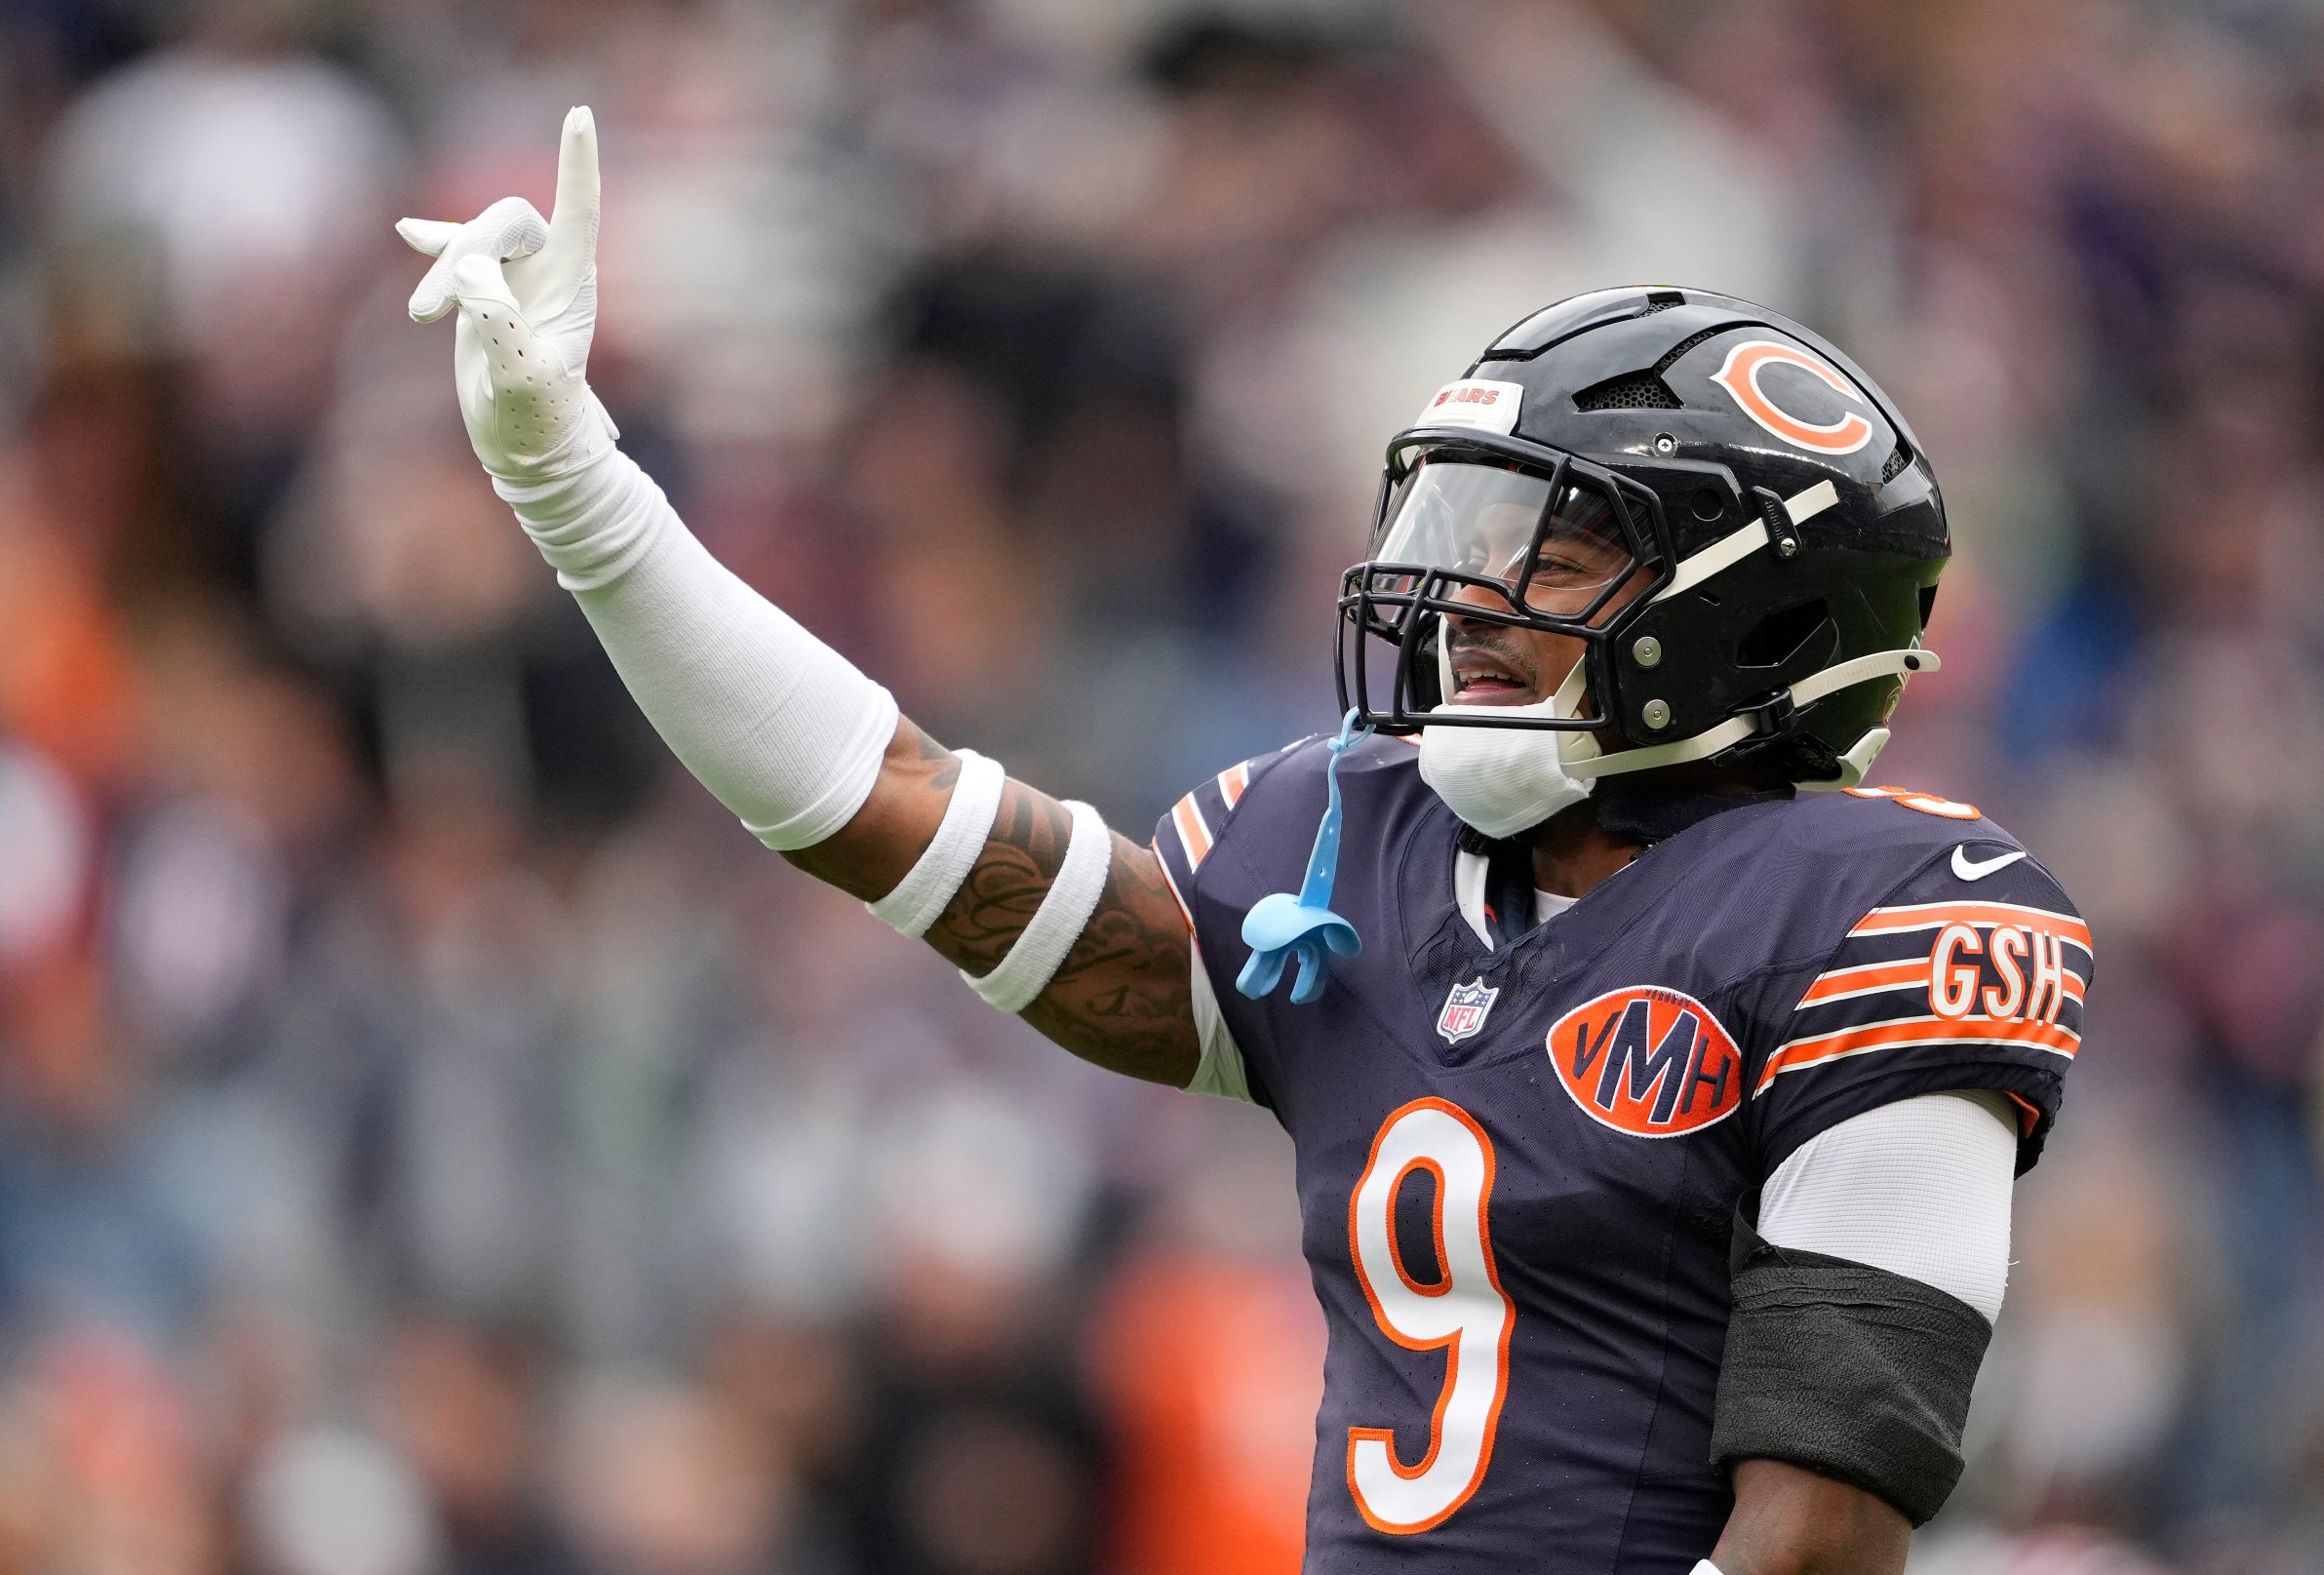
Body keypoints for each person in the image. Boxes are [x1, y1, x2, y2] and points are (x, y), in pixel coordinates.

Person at [400, 111, 2089, 1575]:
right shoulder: (1354, 851)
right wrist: (583, 494)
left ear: (1759, 618)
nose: (1469, 601)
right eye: (1468, 530)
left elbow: (1824, 1536)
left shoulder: (1879, 917)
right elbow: (893, 808)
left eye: (1556, 555)